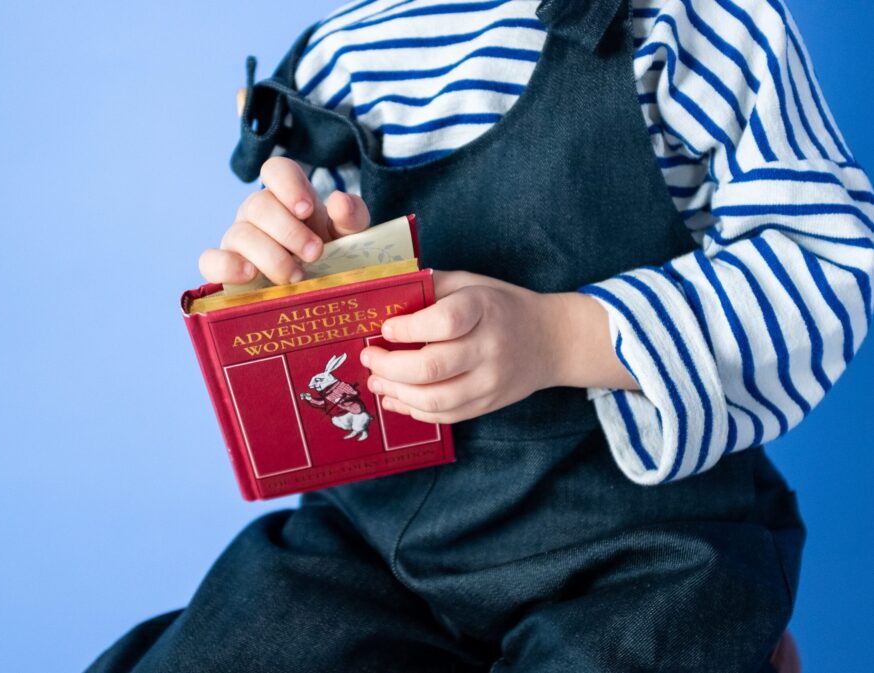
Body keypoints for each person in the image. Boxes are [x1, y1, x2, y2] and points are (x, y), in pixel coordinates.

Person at [86, 0, 873, 671]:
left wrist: (559, 337)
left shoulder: (697, 23)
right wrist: (296, 268)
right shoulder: (339, 58)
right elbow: (323, 331)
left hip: (648, 544)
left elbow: (825, 263)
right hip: (377, 535)